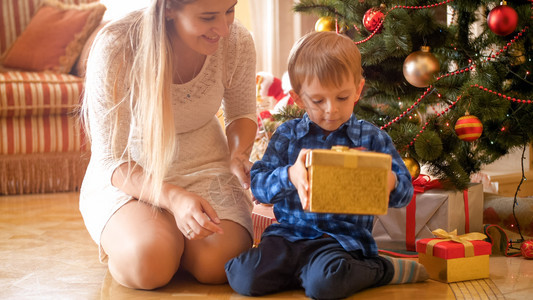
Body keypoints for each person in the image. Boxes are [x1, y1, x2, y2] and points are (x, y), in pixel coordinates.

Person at [225, 31, 428, 299]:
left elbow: (404, 193)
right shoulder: (287, 135)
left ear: (358, 90)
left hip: (340, 242)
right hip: (288, 237)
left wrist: (388, 180)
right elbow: (259, 187)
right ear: (298, 99)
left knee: (325, 285)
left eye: (342, 98)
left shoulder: (372, 137)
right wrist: (290, 176)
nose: (331, 109)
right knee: (242, 275)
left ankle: (382, 269)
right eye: (318, 100)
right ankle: (305, 272)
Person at [79, 0, 257, 290]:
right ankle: (156, 238)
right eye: (209, 16)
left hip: (206, 165)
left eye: (230, 10)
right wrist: (173, 199)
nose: (225, 29)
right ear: (170, 9)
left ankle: (172, 241)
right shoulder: (116, 46)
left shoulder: (236, 40)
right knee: (148, 264)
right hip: (133, 174)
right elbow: (111, 158)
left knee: (219, 265)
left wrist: (238, 153)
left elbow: (242, 114)